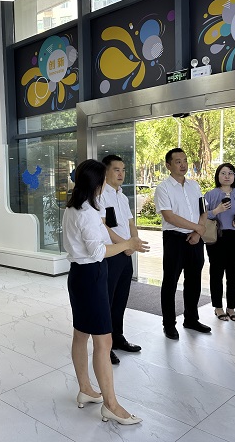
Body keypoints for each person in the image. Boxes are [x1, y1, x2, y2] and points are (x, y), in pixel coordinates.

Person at [62, 159, 148, 425]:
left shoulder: (75, 207)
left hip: (79, 275)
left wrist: (128, 243)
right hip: (91, 276)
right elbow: (98, 251)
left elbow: (104, 234)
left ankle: (86, 389)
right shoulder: (87, 212)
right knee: (103, 342)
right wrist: (127, 244)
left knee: (81, 335)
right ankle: (111, 405)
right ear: (96, 183)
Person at [154, 148, 211, 340]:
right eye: (178, 161)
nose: (183, 164)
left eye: (185, 160)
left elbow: (203, 210)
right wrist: (197, 228)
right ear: (168, 165)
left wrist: (198, 232)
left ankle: (191, 319)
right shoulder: (163, 188)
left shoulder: (194, 185)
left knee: (194, 280)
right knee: (170, 282)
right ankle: (169, 324)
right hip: (175, 239)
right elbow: (169, 216)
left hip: (195, 239)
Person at [99, 155, 142, 365]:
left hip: (126, 253)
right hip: (112, 253)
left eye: (123, 170)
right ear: (106, 171)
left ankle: (118, 337)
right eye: (116, 169)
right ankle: (104, 346)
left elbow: (130, 223)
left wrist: (134, 243)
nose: (121, 174)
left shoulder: (122, 196)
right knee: (107, 300)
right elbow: (104, 226)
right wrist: (125, 245)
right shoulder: (100, 195)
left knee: (121, 298)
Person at [204, 163, 235, 322]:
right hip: (216, 237)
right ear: (218, 176)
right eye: (223, 173)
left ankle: (231, 307)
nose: (227, 176)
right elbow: (203, 215)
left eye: (230, 173)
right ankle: (218, 307)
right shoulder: (210, 195)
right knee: (216, 272)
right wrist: (217, 210)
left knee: (234, 273)